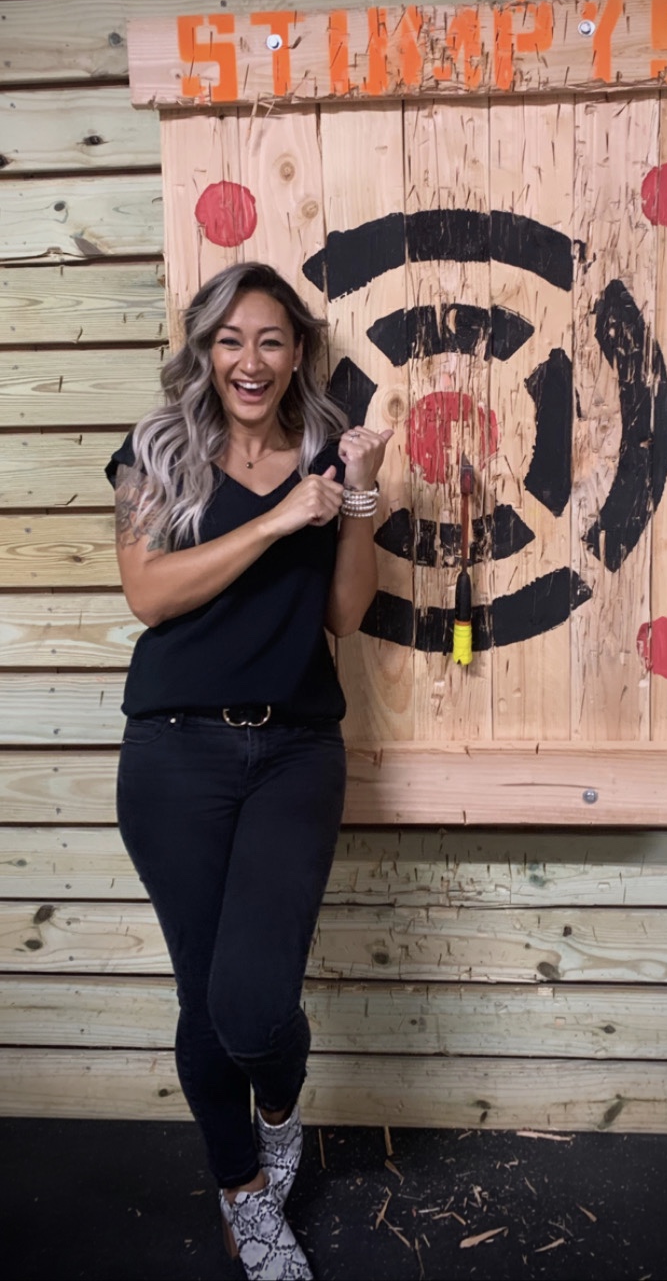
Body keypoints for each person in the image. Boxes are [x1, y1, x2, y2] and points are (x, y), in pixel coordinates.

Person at [106, 260, 392, 1281]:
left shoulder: (324, 452)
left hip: (294, 749)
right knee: (204, 996)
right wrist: (277, 518)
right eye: (230, 339)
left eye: (271, 339)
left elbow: (343, 614)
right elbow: (148, 594)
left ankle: (279, 1107)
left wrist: (356, 501)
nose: (250, 360)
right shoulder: (156, 449)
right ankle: (243, 1194)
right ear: (203, 348)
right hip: (174, 751)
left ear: (298, 351)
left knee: (254, 1006)